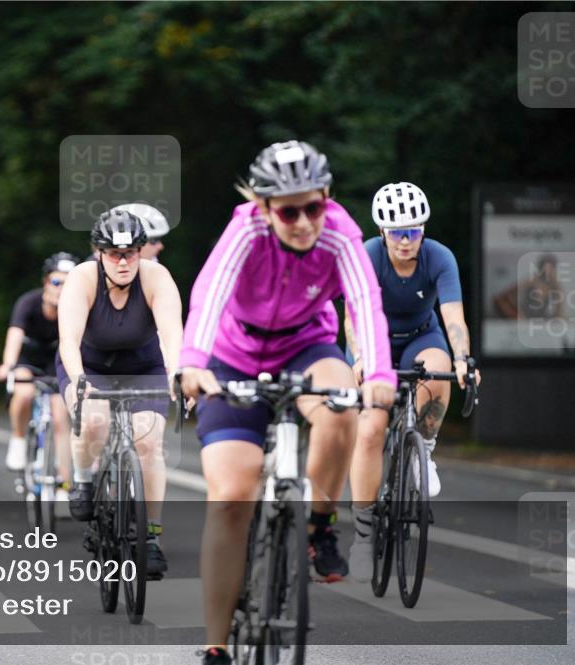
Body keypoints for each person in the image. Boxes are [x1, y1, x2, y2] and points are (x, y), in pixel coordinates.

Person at [176, 140, 395, 665]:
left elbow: (366, 305)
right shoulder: (245, 230)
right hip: (233, 355)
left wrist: (381, 373)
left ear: (326, 198)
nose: (302, 222)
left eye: (312, 206)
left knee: (342, 405)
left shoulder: (341, 235)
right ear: (264, 207)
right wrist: (192, 362)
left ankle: (319, 525)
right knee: (231, 495)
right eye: (288, 211)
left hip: (306, 345)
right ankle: (216, 644)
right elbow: (209, 292)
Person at [345, 181, 481, 582]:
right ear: (383, 232)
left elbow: (453, 317)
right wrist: (362, 358)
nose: (407, 241)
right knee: (370, 430)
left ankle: (425, 449)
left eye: (415, 231)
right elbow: (353, 317)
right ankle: (364, 535)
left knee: (438, 374)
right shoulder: (366, 257)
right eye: (398, 233)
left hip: (423, 334)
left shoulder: (439, 257)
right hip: (375, 339)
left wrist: (462, 360)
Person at [57, 211, 183, 580]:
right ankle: (83, 478)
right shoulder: (81, 278)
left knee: (149, 443)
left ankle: (150, 537)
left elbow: (172, 334)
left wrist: (178, 374)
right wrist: (79, 381)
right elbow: (68, 340)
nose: (124, 261)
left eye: (131, 252)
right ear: (99, 253)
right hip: (89, 363)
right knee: (93, 419)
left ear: (142, 251)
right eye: (114, 253)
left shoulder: (157, 277)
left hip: (143, 366)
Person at [0, 253, 78, 497]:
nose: (61, 289)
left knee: (61, 416)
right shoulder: (28, 302)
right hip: (28, 360)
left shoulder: (76, 308)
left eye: (68, 283)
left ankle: (65, 483)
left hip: (56, 362)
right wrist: (7, 364)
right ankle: (19, 438)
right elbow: (14, 334)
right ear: (45, 282)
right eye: (56, 282)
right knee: (23, 393)